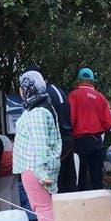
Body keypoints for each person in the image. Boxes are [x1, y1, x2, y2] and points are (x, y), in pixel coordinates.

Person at [14, 70, 63, 221]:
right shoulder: (41, 107)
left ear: (26, 89)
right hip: (36, 167)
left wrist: (42, 173)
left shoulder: (37, 112)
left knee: (42, 208)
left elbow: (40, 144)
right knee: (46, 207)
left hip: (34, 167)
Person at [27, 65, 75, 194]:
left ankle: (58, 212)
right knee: (68, 180)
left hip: (57, 141)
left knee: (57, 184)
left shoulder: (44, 96)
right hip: (69, 137)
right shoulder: (57, 90)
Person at [69, 67, 111, 191]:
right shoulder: (101, 98)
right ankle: (99, 207)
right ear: (93, 81)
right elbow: (109, 123)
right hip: (97, 141)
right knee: (97, 179)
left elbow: (71, 119)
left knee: (80, 177)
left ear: (78, 81)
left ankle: (82, 207)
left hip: (79, 141)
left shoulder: (74, 95)